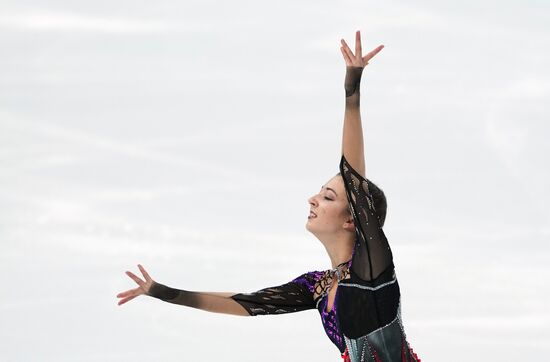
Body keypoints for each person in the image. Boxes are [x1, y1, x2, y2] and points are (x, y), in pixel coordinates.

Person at [117, 30, 420, 362]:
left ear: (353, 219)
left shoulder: (372, 268)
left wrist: (352, 90)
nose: (313, 200)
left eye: (328, 197)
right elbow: (247, 303)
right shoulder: (317, 286)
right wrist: (163, 292)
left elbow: (352, 174)